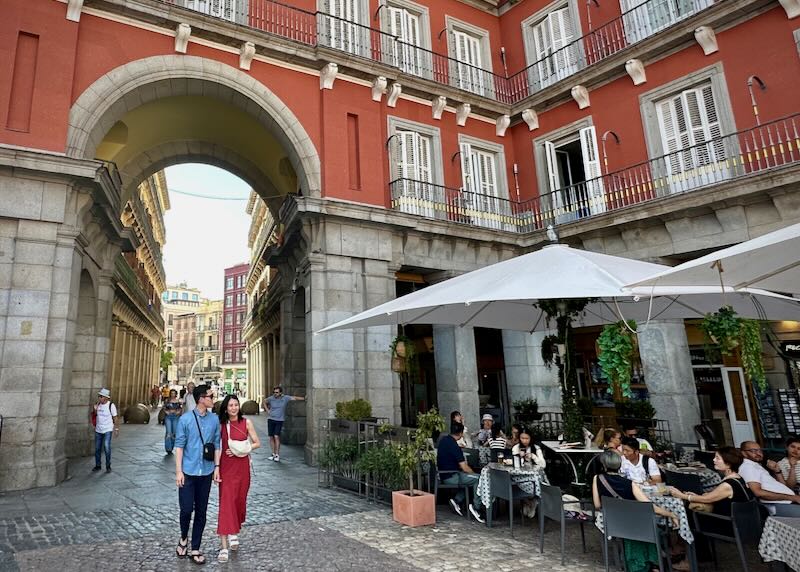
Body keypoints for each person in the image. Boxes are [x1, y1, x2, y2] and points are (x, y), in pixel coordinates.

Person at [668, 446, 755, 570]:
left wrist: (682, 495)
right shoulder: (738, 479)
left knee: (689, 518)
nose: (714, 460)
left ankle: (690, 560)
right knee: (693, 516)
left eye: (718, 458)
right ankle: (701, 557)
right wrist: (695, 496)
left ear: (728, 463)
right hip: (741, 523)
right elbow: (712, 496)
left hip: (728, 525)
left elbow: (708, 500)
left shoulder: (727, 485)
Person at [592, 450, 678, 572]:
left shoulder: (597, 479)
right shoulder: (630, 483)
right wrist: (671, 514)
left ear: (604, 465)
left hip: (613, 524)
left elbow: (597, 504)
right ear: (619, 465)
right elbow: (649, 506)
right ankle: (653, 564)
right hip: (636, 527)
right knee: (650, 526)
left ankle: (641, 564)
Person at [174, 384, 221, 565]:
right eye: (210, 396)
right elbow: (179, 446)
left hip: (207, 471)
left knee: (201, 511)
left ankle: (195, 547)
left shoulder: (214, 419)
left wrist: (217, 467)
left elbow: (217, 443)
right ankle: (184, 537)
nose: (213, 398)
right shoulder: (185, 419)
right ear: (201, 398)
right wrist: (178, 471)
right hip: (188, 471)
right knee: (186, 509)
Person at [216, 395, 261, 563]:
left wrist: (241, 449)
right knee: (226, 503)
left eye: (236, 405)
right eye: (230, 405)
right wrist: (216, 469)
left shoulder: (246, 423)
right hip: (226, 468)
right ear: (226, 408)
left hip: (242, 469)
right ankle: (223, 546)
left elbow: (257, 443)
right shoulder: (221, 425)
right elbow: (217, 447)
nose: (233, 408)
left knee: (238, 501)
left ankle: (234, 531)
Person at [437, 421, 484, 522]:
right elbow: (464, 467)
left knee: (469, 480)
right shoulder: (455, 446)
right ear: (461, 433)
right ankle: (476, 508)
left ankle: (456, 500)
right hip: (453, 476)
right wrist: (473, 473)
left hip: (443, 475)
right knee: (479, 479)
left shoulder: (443, 440)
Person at [740, 440, 800, 515]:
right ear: (744, 453)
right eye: (753, 451)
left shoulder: (756, 466)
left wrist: (777, 471)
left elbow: (782, 487)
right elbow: (758, 493)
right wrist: (792, 497)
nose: (758, 453)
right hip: (781, 505)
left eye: (759, 450)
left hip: (790, 501)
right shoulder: (748, 468)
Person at [261, 386, 304, 462]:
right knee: (271, 437)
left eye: (277, 392)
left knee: (276, 436)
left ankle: (277, 454)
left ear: (280, 393)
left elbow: (294, 398)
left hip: (279, 420)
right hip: (271, 419)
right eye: (274, 392)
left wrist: (304, 398)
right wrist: (267, 410)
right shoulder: (271, 398)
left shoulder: (285, 398)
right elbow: (264, 401)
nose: (275, 394)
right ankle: (273, 453)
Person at [91, 388, 119, 473]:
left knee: (107, 447)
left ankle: (108, 465)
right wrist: (95, 410)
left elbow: (115, 417)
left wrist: (116, 428)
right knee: (97, 448)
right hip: (98, 429)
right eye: (99, 396)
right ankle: (98, 465)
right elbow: (95, 415)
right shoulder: (98, 405)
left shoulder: (111, 406)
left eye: (101, 396)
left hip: (108, 429)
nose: (99, 398)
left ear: (106, 398)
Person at [164, 389, 183, 454]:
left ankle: (172, 445)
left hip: (176, 417)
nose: (172, 395)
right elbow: (164, 408)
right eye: (171, 393)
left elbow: (181, 408)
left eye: (174, 393)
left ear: (176, 394)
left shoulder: (178, 401)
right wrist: (167, 412)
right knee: (169, 432)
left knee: (174, 432)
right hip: (168, 417)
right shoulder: (167, 400)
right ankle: (168, 448)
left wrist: (178, 412)